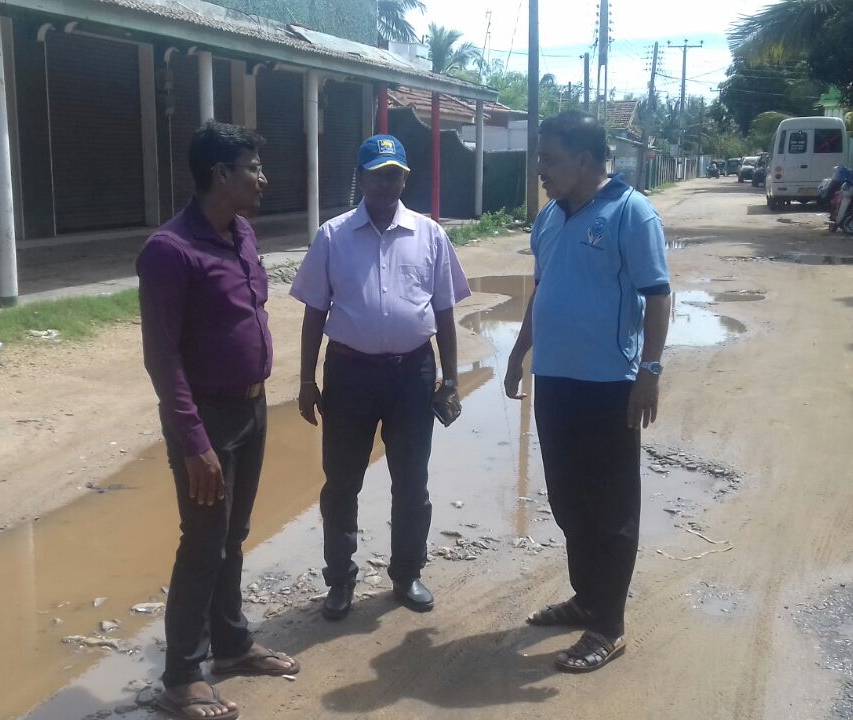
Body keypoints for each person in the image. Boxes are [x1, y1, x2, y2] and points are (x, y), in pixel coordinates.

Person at [137, 121, 299, 720]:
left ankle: (231, 646)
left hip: (252, 408)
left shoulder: (243, 234)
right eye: (252, 168)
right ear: (220, 174)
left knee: (233, 534)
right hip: (205, 419)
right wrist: (194, 442)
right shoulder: (170, 250)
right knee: (203, 541)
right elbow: (162, 357)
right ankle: (181, 677)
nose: (263, 178)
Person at [504, 110, 671, 673]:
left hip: (609, 386)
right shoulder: (550, 216)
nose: (540, 169)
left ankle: (608, 625)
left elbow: (658, 296)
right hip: (555, 382)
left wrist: (649, 371)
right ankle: (586, 598)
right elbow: (543, 288)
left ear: (582, 159)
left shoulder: (631, 212)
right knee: (567, 499)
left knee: (610, 509)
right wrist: (519, 351)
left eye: (549, 159)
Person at [291, 134, 471, 620]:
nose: (385, 184)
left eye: (394, 175)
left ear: (405, 179)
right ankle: (340, 580)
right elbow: (314, 313)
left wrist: (451, 379)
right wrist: (306, 380)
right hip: (349, 375)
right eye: (376, 174)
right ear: (361, 178)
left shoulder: (430, 235)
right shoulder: (332, 236)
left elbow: (445, 311)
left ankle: (407, 573)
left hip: (412, 374)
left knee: (412, 482)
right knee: (341, 482)